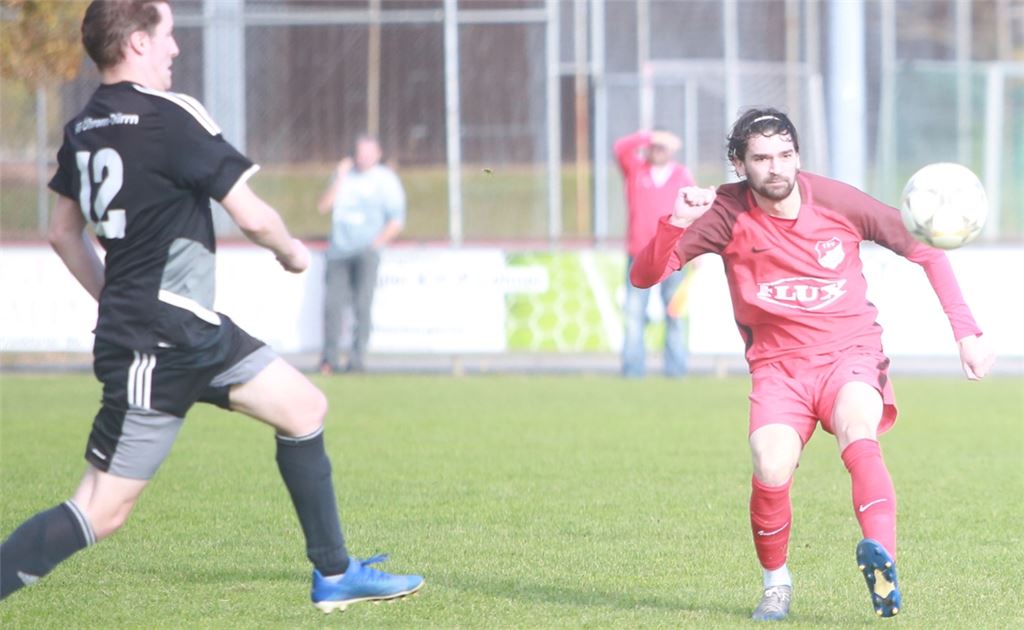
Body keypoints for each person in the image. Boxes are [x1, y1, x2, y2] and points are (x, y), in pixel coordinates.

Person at [0, 0, 423, 613]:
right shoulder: (171, 115)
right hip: (157, 341)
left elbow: (64, 234)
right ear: (138, 43)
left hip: (188, 331)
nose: (175, 49)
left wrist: (116, 298)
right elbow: (251, 214)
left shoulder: (83, 126)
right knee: (101, 508)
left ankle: (334, 575)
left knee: (304, 407)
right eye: (167, 35)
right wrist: (292, 253)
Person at [630, 107, 994, 621]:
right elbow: (645, 276)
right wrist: (677, 223)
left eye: (784, 155)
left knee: (856, 426)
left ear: (797, 155)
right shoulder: (723, 214)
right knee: (769, 462)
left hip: (851, 352)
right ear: (739, 164)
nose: (775, 168)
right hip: (778, 367)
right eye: (761, 158)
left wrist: (967, 333)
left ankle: (882, 558)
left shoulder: (838, 200)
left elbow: (927, 252)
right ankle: (776, 583)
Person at [317, 135, 405, 374]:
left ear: (378, 154)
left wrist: (375, 244)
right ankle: (330, 359)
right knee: (333, 306)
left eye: (368, 153)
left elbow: (396, 220)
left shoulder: (386, 181)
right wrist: (341, 178)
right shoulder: (344, 177)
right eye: (360, 153)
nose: (363, 158)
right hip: (338, 251)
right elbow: (323, 207)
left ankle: (357, 360)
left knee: (362, 306)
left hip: (366, 252)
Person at [614, 128, 696, 377]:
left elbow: (694, 212)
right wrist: (649, 136)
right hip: (639, 254)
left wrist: (697, 251)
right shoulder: (636, 170)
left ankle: (676, 370)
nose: (657, 150)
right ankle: (632, 371)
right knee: (634, 315)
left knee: (675, 314)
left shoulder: (682, 175)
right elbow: (620, 147)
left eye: (662, 146)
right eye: (654, 146)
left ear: (671, 149)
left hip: (674, 255)